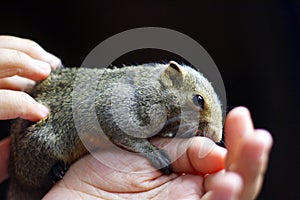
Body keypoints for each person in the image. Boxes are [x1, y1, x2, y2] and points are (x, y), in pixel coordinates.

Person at [0, 36, 273, 200]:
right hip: (43, 152)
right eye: (198, 103)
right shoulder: (133, 92)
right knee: (46, 143)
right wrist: (148, 151)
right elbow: (111, 122)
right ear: (171, 77)